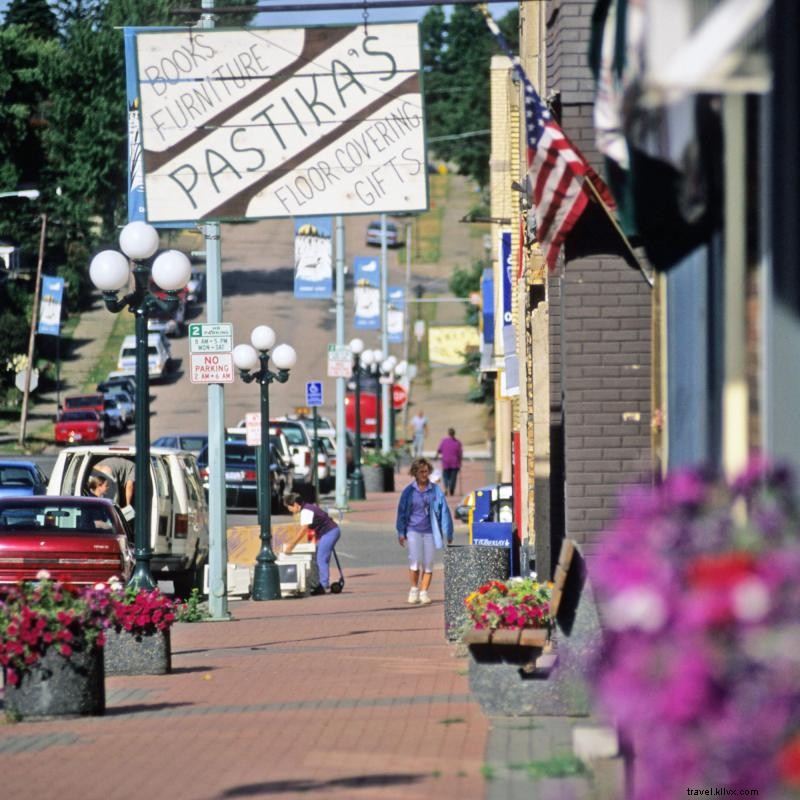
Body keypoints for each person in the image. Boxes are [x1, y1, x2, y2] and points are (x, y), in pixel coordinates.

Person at [395, 457, 453, 605]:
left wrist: (448, 532)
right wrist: (401, 532)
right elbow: (401, 512)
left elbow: (444, 511)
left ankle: (424, 592)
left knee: (428, 563)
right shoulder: (409, 491)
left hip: (430, 531)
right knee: (415, 560)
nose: (424, 474)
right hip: (413, 530)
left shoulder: (435, 490)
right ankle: (414, 590)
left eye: (426, 471)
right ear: (415, 472)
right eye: (421, 471)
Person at [283, 492, 342, 595]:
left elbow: (303, 530)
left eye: (290, 508)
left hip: (330, 532)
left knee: (321, 558)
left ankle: (323, 586)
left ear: (296, 505)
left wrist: (291, 545)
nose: (290, 510)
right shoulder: (308, 508)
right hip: (329, 532)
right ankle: (320, 583)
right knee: (320, 556)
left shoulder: (306, 511)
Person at [435, 428, 463, 497]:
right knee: (453, 477)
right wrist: (460, 463)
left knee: (445, 476)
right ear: (454, 434)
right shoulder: (457, 442)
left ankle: (446, 487)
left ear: (448, 433)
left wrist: (436, 456)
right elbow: (460, 454)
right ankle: (451, 489)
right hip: (454, 462)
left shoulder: (444, 441)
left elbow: (439, 450)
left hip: (446, 462)